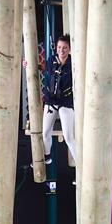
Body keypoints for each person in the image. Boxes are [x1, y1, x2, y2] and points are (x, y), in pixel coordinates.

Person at [23, 34, 76, 170]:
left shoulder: (73, 64)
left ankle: (80, 165)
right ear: (56, 48)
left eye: (64, 48)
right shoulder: (52, 60)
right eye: (59, 47)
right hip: (51, 101)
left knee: (69, 137)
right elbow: (45, 68)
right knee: (45, 132)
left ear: (69, 49)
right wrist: (28, 64)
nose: (61, 50)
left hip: (65, 102)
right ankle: (46, 157)